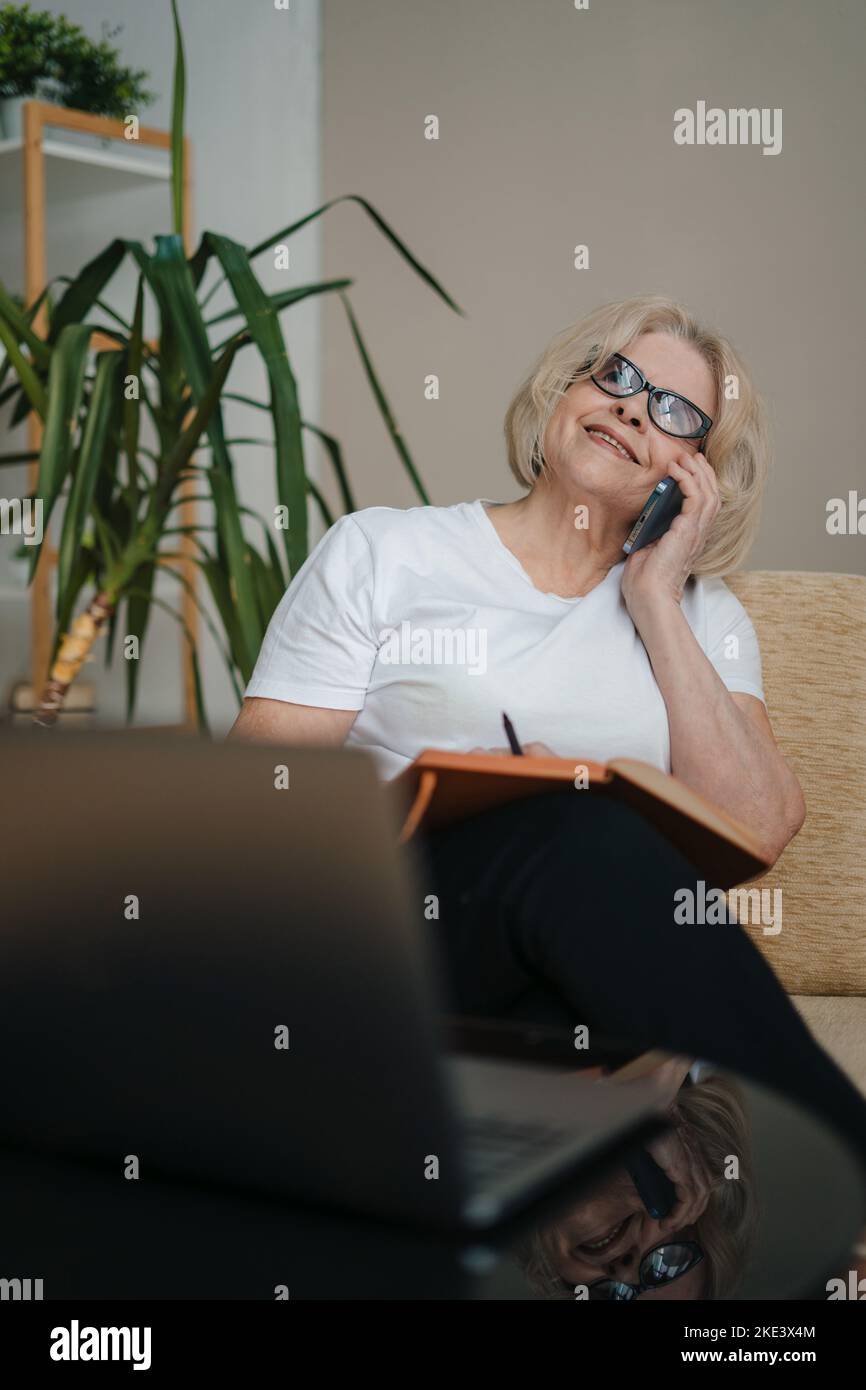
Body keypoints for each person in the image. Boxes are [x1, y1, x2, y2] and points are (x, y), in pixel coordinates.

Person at [229, 294, 866, 1158]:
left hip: (571, 980)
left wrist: (653, 599)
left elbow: (755, 827)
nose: (634, 408)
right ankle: (838, 1151)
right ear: (564, 393)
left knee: (585, 865)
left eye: (674, 412)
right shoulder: (382, 553)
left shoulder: (702, 617)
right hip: (393, 934)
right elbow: (253, 803)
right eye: (618, 377)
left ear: (701, 473)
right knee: (572, 818)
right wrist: (461, 801)